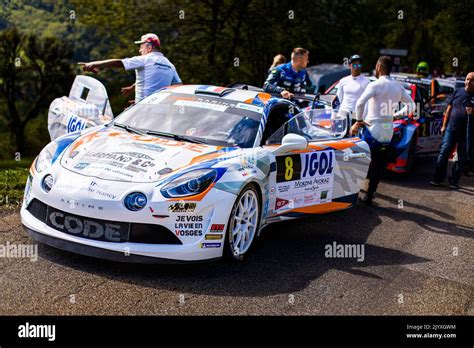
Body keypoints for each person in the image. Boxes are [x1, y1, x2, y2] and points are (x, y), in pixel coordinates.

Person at [351, 56, 416, 205]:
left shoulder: (376, 85)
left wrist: (359, 121)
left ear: (379, 67)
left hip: (373, 128)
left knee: (360, 160)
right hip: (388, 129)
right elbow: (412, 106)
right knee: (379, 165)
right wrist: (395, 116)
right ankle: (369, 194)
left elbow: (360, 103)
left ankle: (352, 193)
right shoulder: (398, 86)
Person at [79, 33, 182, 103]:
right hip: (159, 112)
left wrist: (93, 64)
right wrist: (134, 88)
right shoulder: (170, 65)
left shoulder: (145, 59)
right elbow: (177, 87)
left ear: (149, 48)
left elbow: (119, 63)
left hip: (143, 110)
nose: (140, 51)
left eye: (141, 47)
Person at [430, 72, 474, 189]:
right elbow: (449, 108)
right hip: (451, 128)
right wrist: (444, 125)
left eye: (472, 80)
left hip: (466, 134)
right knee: (443, 153)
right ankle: (438, 179)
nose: (469, 82)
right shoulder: (458, 91)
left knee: (461, 159)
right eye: (467, 79)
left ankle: (454, 181)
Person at [335, 54, 370, 123]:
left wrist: (362, 119)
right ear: (349, 65)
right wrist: (334, 116)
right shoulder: (343, 81)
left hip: (357, 118)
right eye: (354, 65)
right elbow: (338, 99)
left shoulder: (366, 82)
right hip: (342, 116)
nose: (357, 68)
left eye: (359, 65)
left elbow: (367, 103)